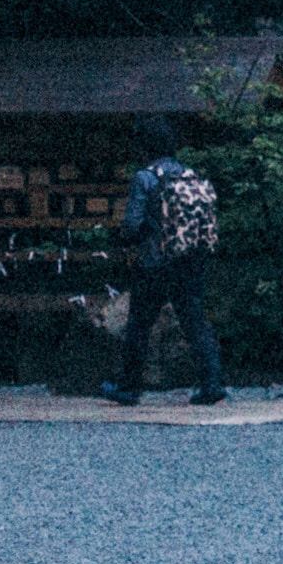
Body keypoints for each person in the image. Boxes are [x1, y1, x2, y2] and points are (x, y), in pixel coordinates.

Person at [99, 115, 225, 407]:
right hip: (189, 260)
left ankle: (129, 388)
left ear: (143, 145)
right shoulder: (188, 175)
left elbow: (133, 224)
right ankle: (212, 383)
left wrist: (123, 239)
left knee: (139, 326)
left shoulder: (145, 177)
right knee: (194, 322)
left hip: (155, 263)